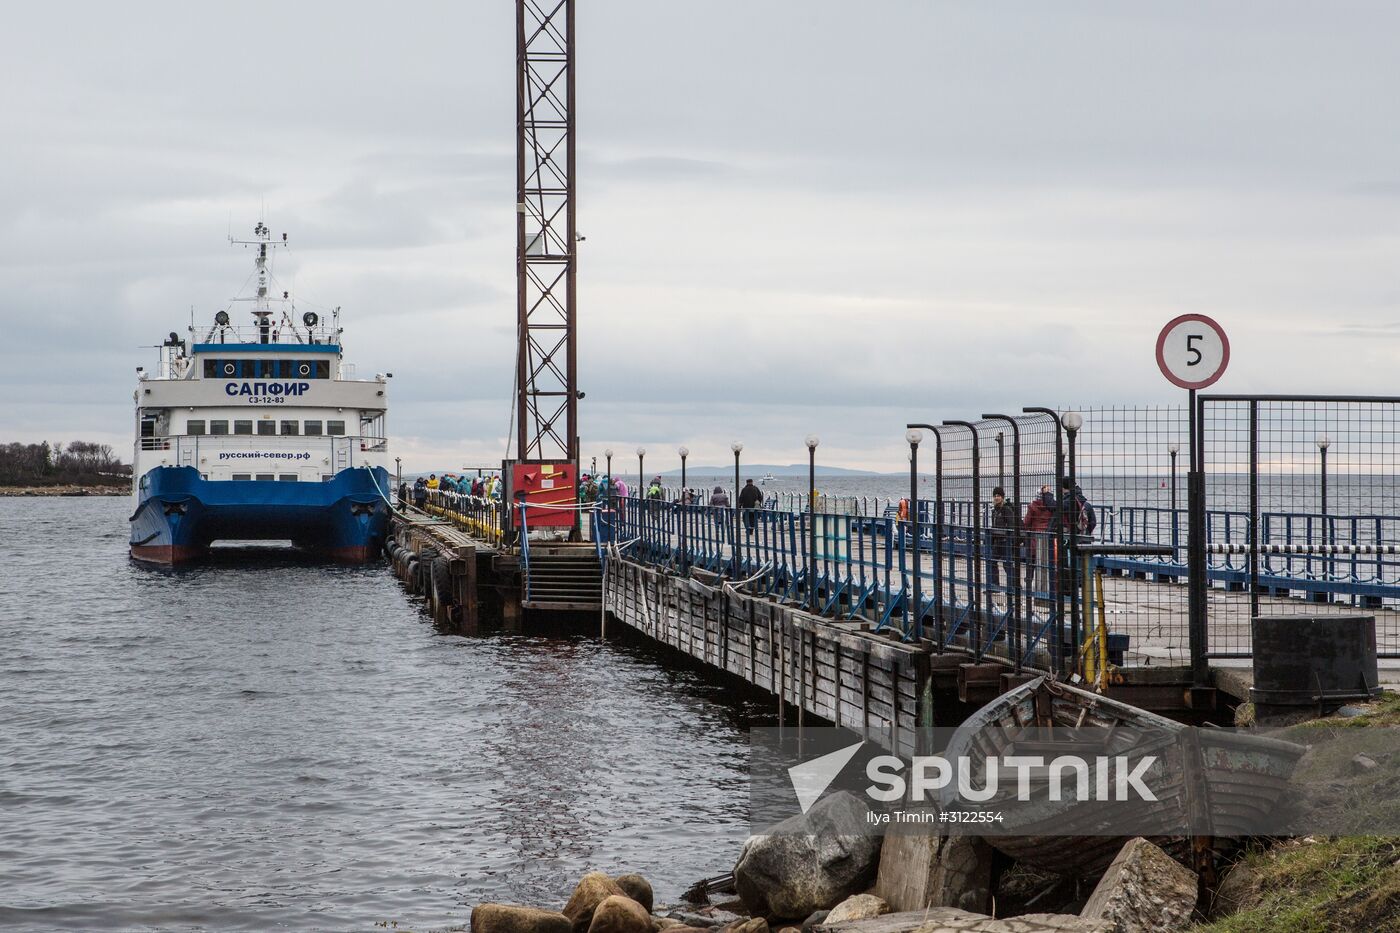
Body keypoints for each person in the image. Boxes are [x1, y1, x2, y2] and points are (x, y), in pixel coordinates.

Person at [987, 486, 1019, 599]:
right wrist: (991, 540)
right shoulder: (995, 510)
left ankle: (1013, 587)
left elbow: (1011, 526)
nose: (996, 498)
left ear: (1002, 497)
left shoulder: (1007, 510)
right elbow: (994, 527)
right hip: (997, 541)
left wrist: (1012, 541)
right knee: (991, 561)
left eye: (998, 496)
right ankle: (995, 586)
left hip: (1006, 541)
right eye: (995, 496)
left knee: (1007, 565)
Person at [1022, 484, 1054, 596]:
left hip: (1034, 539)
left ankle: (1029, 586)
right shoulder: (1051, 508)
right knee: (1045, 565)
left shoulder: (1032, 507)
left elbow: (1026, 523)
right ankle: (1045, 590)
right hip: (1047, 540)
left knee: (1031, 564)